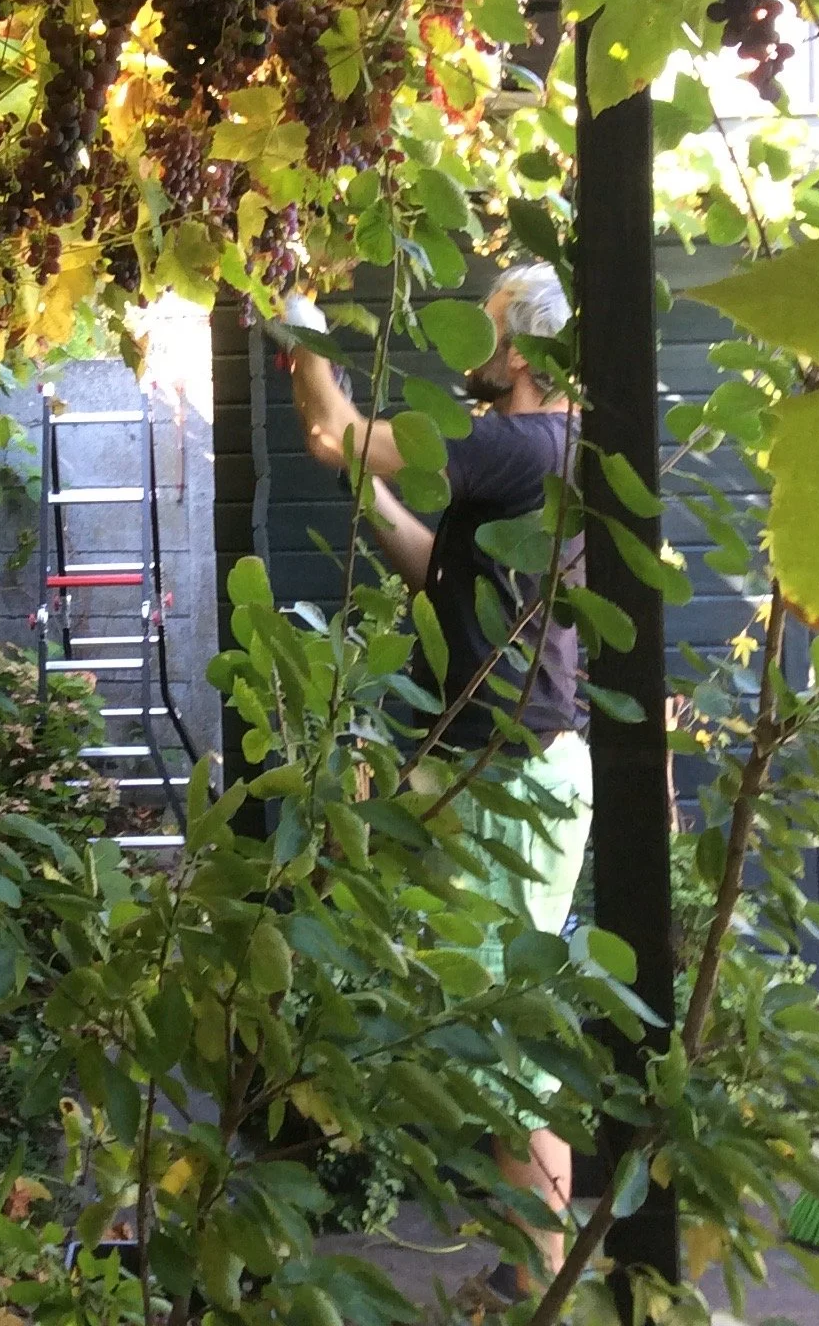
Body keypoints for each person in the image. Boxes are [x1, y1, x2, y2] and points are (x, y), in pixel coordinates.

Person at [286, 263, 591, 1292]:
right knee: (491, 1033)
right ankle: (526, 1277)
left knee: (509, 1049)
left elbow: (338, 428)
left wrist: (300, 320)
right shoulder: (538, 452)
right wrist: (369, 495)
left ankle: (535, 1284)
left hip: (513, 775)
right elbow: (441, 570)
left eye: (490, 324)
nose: (475, 339)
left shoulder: (514, 443)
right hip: (499, 766)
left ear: (519, 353)